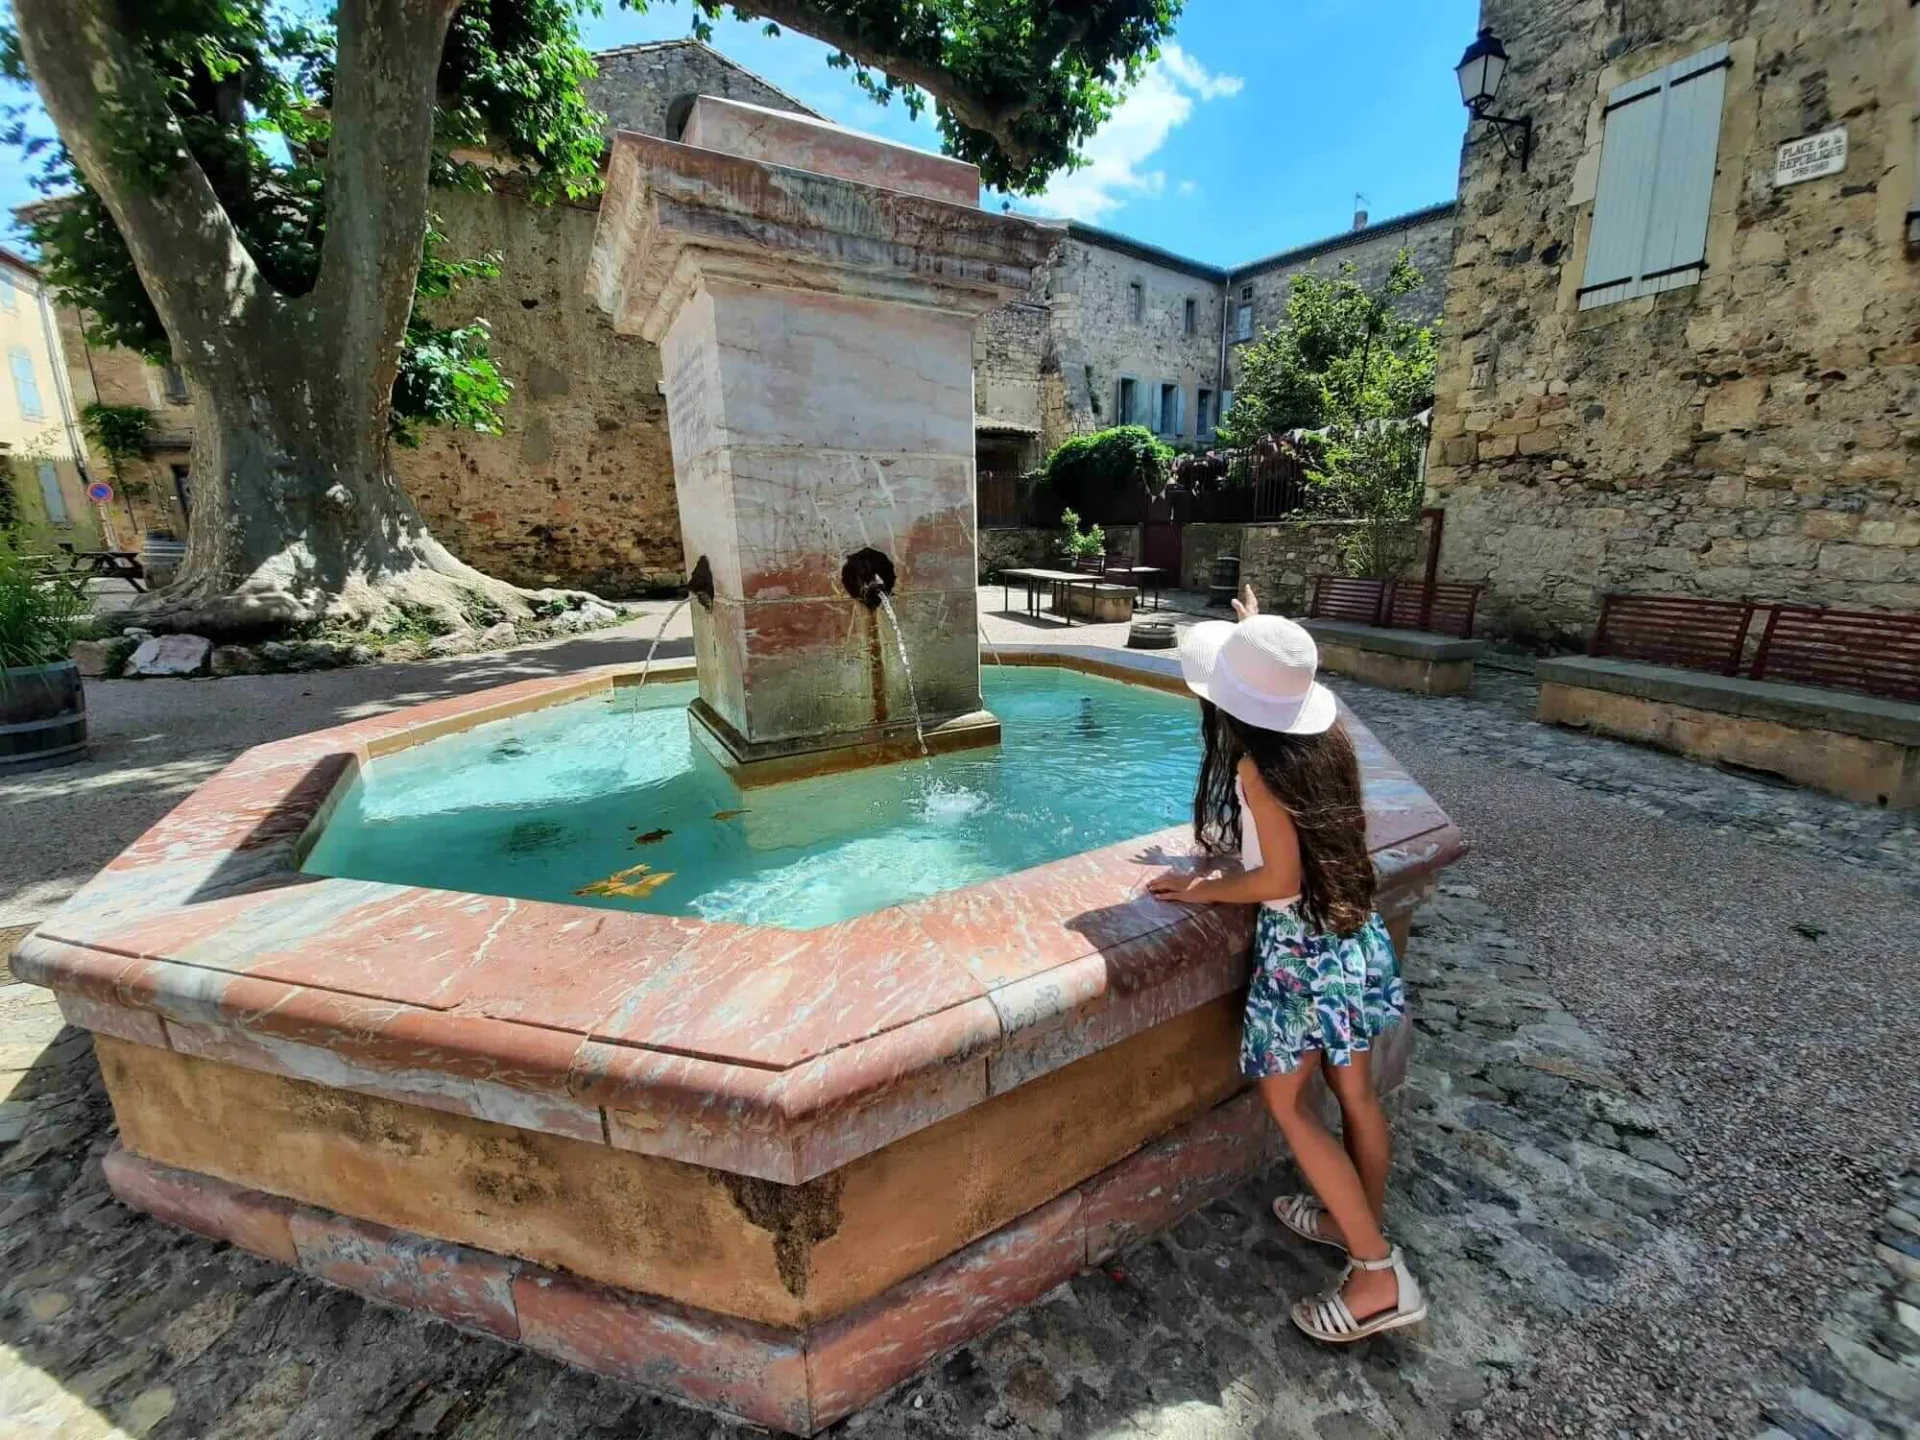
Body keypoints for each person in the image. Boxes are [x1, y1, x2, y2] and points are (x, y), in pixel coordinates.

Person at [1148, 586, 1425, 1344]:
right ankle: (1354, 1223)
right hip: (1352, 933)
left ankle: (1376, 1276)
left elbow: (1278, 881)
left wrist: (1205, 887)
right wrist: (1257, 637)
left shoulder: (1259, 771)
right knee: (1357, 1097)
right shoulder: (1322, 741)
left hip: (1300, 954)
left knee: (1289, 1106)